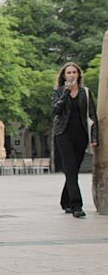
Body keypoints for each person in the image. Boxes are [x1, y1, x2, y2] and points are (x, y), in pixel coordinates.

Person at [52, 62, 98, 218]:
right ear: (64, 76)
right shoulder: (58, 91)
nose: (71, 75)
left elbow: (92, 115)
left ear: (78, 74)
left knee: (73, 170)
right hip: (63, 134)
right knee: (70, 170)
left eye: (74, 72)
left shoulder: (86, 92)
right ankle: (76, 205)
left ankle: (65, 201)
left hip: (81, 135)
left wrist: (94, 137)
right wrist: (66, 93)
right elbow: (56, 110)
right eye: (68, 72)